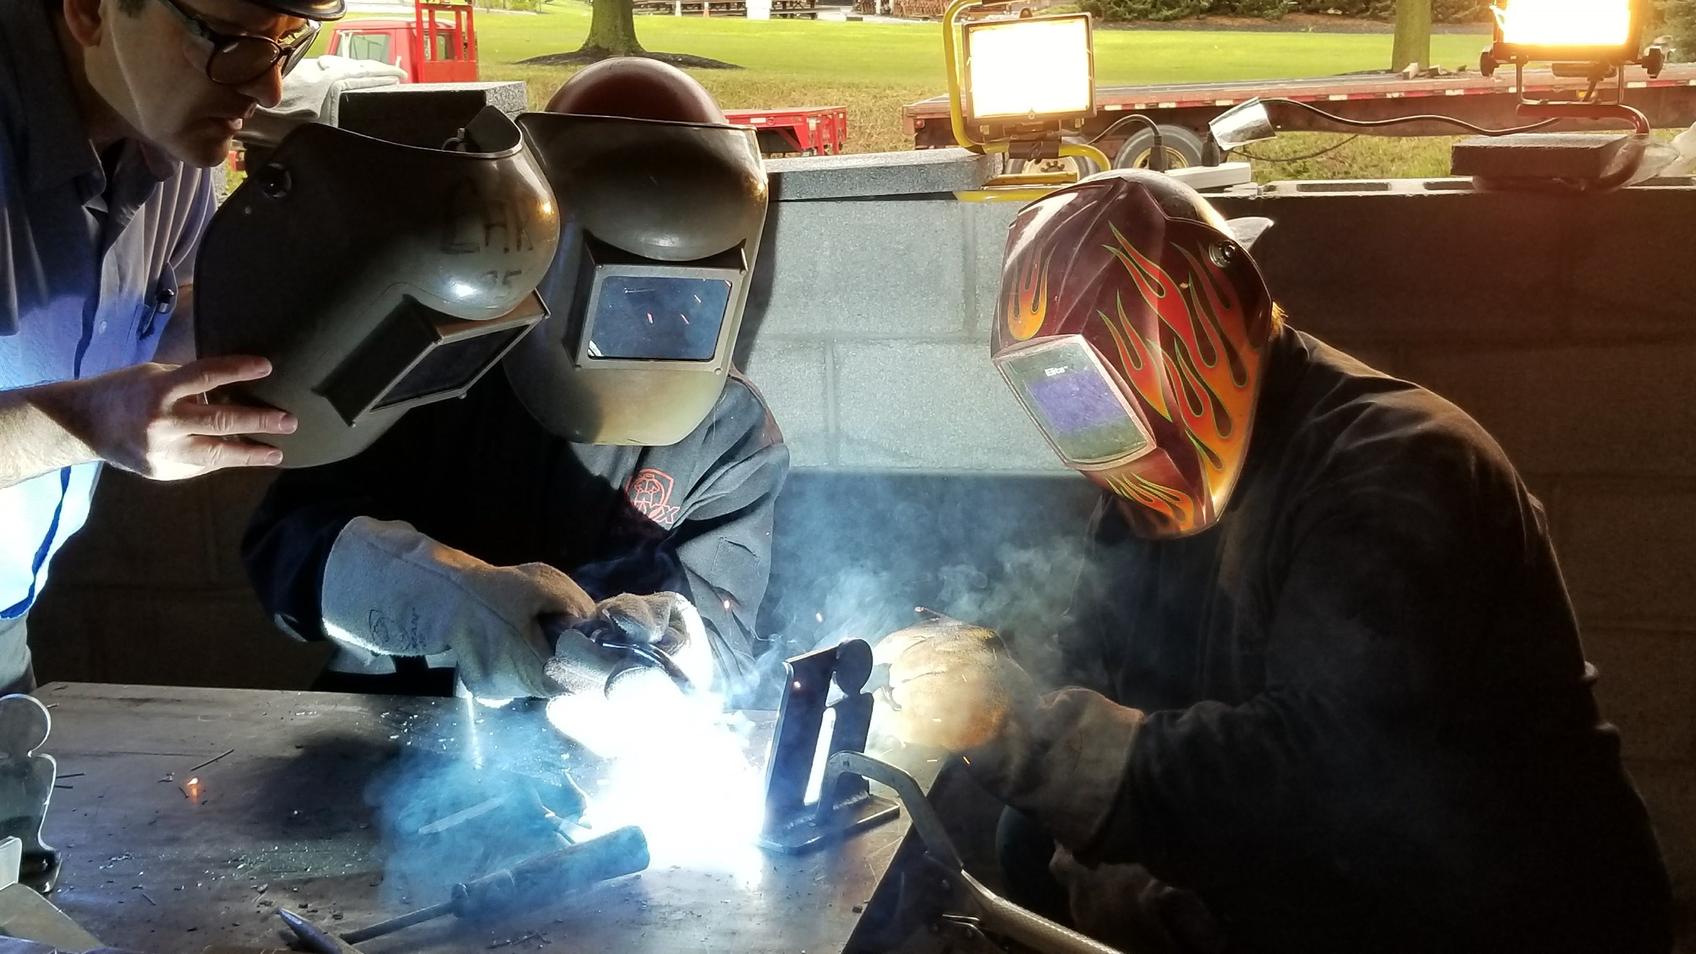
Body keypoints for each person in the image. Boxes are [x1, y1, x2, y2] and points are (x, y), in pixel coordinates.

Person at [874, 169, 1673, 954]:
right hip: (1332, 864)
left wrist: (1028, 734)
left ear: (1197, 324)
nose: (1092, 432)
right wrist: (983, 673)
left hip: (1483, 905)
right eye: (1063, 400)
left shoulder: (1396, 469)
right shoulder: (1158, 487)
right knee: (1024, 841)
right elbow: (1100, 658)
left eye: (1095, 390)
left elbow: (1323, 772)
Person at [242, 60, 788, 715]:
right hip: (398, 718)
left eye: (686, 299)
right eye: (630, 293)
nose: (653, 322)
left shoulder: (729, 429)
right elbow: (285, 550)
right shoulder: (430, 364)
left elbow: (725, 644)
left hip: (600, 742)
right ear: (546, 246)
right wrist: (446, 597)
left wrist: (678, 649)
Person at [0, 0, 341, 693]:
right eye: (233, 40)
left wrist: (295, 304)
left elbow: (154, 313)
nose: (270, 89)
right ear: (91, 10)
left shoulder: (173, 134)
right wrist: (86, 424)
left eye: (288, 43)